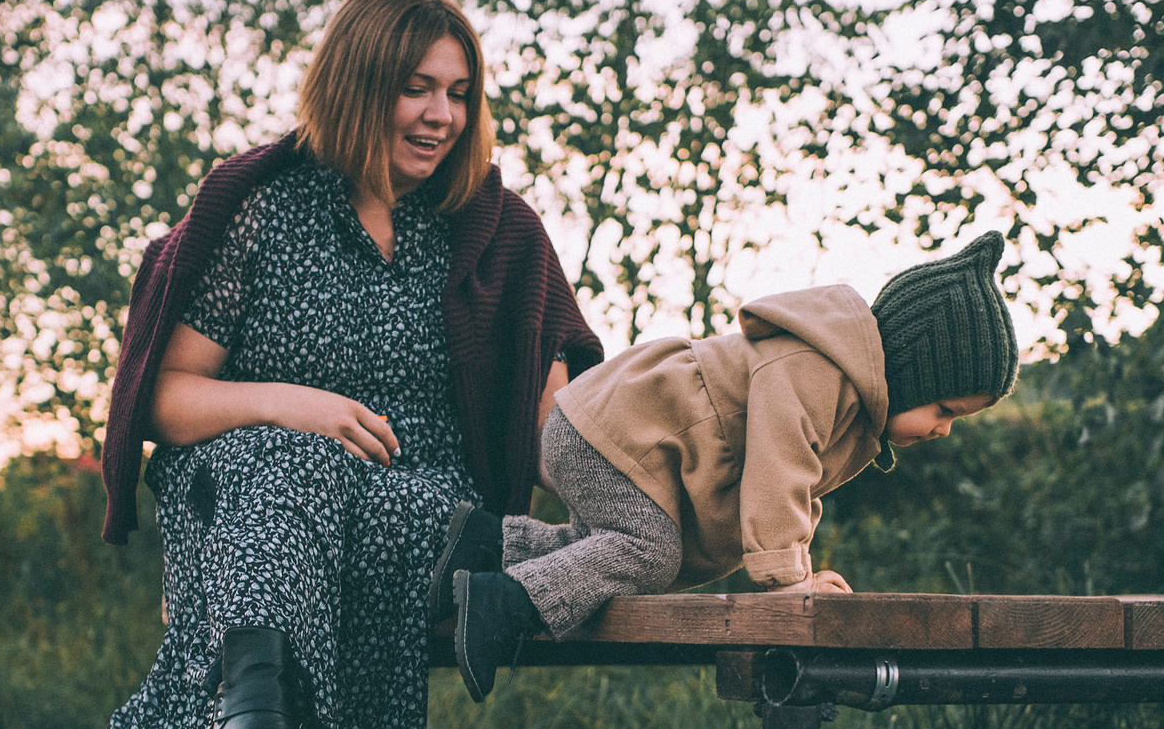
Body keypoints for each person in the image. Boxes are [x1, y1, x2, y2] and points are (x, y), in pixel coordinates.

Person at [0, 0, 602, 729]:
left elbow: (559, 427)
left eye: (458, 93)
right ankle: (249, 718)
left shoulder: (490, 230)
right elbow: (162, 399)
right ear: (357, 84)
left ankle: (266, 721)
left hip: (410, 512)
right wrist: (292, 405)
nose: (440, 115)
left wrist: (665, 520)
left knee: (395, 509)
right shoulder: (265, 211)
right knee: (286, 456)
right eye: (415, 87)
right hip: (251, 482)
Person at [435, 233, 1017, 700]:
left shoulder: (854, 410)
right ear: (914, 368)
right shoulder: (817, 368)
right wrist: (791, 586)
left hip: (627, 445)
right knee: (648, 550)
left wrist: (802, 571)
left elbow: (799, 492)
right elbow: (779, 473)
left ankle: (489, 546)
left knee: (610, 549)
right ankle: (502, 604)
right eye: (944, 409)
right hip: (611, 431)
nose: (943, 429)